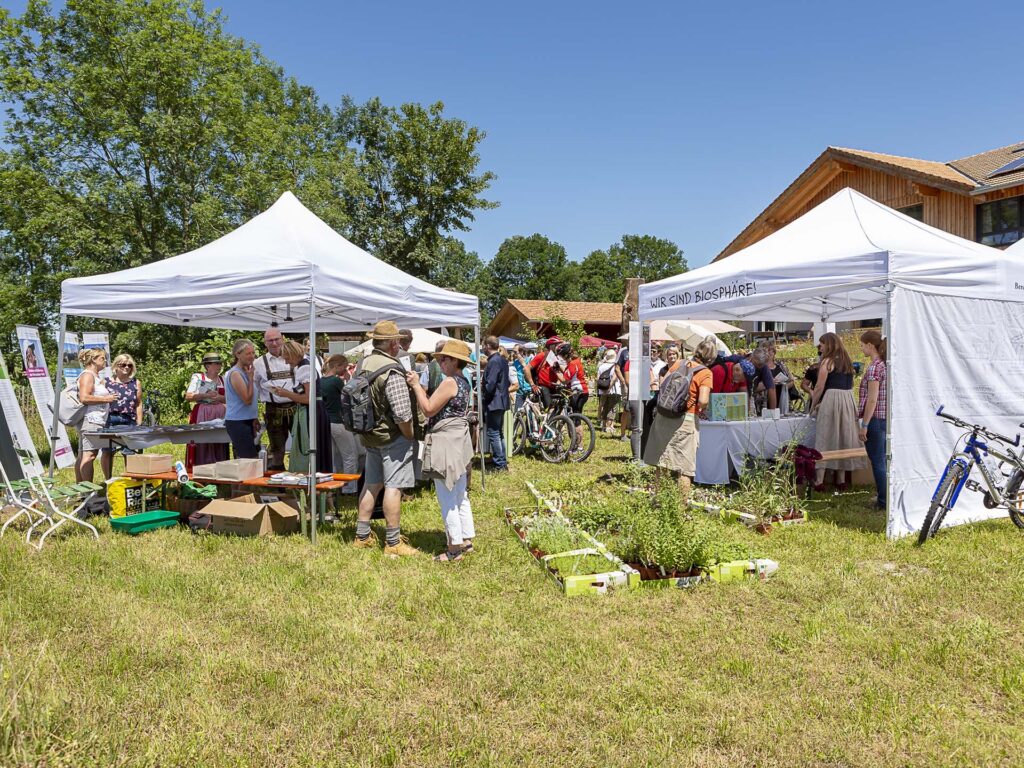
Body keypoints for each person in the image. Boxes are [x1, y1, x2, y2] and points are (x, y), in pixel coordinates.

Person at [352, 321, 420, 557]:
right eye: (398, 341)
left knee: (371, 484)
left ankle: (362, 536)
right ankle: (393, 542)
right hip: (392, 436)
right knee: (394, 487)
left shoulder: (363, 364)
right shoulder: (392, 369)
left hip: (369, 434)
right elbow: (402, 412)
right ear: (393, 344)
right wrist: (410, 435)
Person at [406, 339, 477, 562]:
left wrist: (417, 385)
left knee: (446, 495)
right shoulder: (464, 381)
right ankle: (466, 539)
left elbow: (427, 410)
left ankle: (454, 548)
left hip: (446, 440)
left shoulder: (449, 382)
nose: (440, 362)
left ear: (455, 361)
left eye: (443, 359)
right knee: (459, 494)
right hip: (459, 439)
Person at [642, 336, 716, 502]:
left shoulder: (678, 363)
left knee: (662, 461)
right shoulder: (705, 373)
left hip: (663, 415)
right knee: (685, 467)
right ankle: (680, 509)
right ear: (711, 357)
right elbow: (703, 400)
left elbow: (664, 385)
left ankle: (658, 501)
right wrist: (700, 407)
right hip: (685, 419)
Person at [809, 332, 867, 490]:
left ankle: (819, 480)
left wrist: (813, 404)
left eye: (821, 344)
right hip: (847, 399)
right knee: (843, 436)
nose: (819, 346)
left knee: (825, 436)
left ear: (828, 344)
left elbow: (820, 386)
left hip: (832, 399)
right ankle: (840, 479)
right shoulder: (847, 361)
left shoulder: (827, 362)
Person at [269, 340, 332, 474]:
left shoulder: (304, 368)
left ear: (292, 354)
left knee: (309, 446)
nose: (286, 362)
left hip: (312, 413)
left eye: (286, 358)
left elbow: (308, 399)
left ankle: (312, 478)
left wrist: (285, 393)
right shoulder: (304, 366)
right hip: (315, 411)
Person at [253, 327, 297, 471]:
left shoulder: (296, 358)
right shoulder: (258, 363)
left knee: (302, 444)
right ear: (265, 343)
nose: (274, 343)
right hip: (273, 408)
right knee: (277, 448)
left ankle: (300, 478)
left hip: (296, 406)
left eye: (276, 339)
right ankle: (280, 487)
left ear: (282, 339)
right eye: (270, 340)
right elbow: (254, 389)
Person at [320, 354, 362, 494]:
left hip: (325, 423)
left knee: (332, 458)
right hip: (338, 422)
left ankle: (332, 487)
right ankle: (349, 487)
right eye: (344, 367)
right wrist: (349, 380)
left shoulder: (320, 381)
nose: (345, 370)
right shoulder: (336, 381)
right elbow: (348, 397)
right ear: (337, 366)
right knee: (350, 455)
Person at [75, 348, 117, 483]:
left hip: (95, 420)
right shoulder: (87, 375)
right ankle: (88, 491)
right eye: (102, 358)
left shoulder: (95, 376)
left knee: (83, 455)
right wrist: (107, 399)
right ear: (93, 360)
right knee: (89, 455)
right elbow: (84, 397)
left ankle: (81, 489)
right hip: (91, 419)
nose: (105, 361)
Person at [858, 330, 888, 510]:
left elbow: (872, 399)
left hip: (875, 419)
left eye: (862, 345)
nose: (861, 348)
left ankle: (883, 501)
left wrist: (865, 425)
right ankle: (885, 497)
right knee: (884, 460)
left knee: (877, 461)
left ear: (870, 345)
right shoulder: (886, 365)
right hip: (885, 418)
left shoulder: (874, 367)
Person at [184, 352, 229, 471]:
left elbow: (231, 399)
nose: (219, 366)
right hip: (203, 414)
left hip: (220, 414)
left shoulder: (223, 379)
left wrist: (220, 398)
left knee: (220, 440)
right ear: (208, 365)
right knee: (201, 440)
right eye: (216, 363)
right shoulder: (198, 378)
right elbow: (188, 396)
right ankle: (200, 470)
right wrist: (205, 395)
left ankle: (220, 470)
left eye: (220, 363)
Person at [100, 353, 143, 478]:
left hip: (129, 420)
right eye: (123, 364)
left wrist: (139, 423)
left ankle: (130, 479)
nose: (126, 367)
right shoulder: (106, 382)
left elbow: (139, 404)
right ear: (116, 366)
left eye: (129, 365)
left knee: (129, 452)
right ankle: (108, 480)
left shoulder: (136, 383)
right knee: (108, 451)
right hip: (110, 419)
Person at [224, 339, 260, 459]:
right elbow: (247, 400)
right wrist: (250, 378)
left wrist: (254, 417)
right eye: (248, 353)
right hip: (238, 422)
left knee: (252, 458)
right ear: (238, 354)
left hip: (247, 420)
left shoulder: (246, 371)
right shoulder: (235, 374)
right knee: (249, 460)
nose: (252, 356)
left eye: (253, 353)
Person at [481, 335, 510, 471]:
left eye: (483, 345)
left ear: (487, 345)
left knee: (494, 433)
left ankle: (500, 464)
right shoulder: (502, 360)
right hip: (501, 400)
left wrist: (485, 395)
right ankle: (502, 460)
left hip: (494, 401)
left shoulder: (493, 361)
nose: (482, 348)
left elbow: (491, 383)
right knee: (498, 432)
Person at [523, 336, 563, 410]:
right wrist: (532, 385)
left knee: (559, 408)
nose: (560, 347)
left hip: (554, 386)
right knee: (549, 408)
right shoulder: (542, 355)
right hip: (543, 386)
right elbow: (526, 368)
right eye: (557, 345)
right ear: (551, 346)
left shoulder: (558, 357)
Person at [558, 344, 590, 415]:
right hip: (582, 391)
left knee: (575, 417)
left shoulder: (572, 364)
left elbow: (565, 381)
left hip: (578, 392)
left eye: (562, 357)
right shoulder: (576, 361)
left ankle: (575, 426)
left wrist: (555, 371)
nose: (562, 359)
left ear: (566, 356)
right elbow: (570, 374)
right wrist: (559, 367)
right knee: (576, 415)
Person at [596, 348, 622, 433]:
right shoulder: (615, 366)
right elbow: (614, 378)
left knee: (604, 407)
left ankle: (603, 425)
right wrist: (609, 388)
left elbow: (597, 378)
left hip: (602, 390)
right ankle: (609, 425)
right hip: (613, 390)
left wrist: (603, 388)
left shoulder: (601, 366)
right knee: (612, 407)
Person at [511, 345, 530, 411]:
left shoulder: (529, 360)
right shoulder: (515, 363)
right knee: (517, 413)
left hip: (529, 390)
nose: (513, 354)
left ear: (521, 352)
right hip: (520, 391)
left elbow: (528, 371)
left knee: (530, 413)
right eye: (513, 352)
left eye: (515, 352)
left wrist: (523, 363)